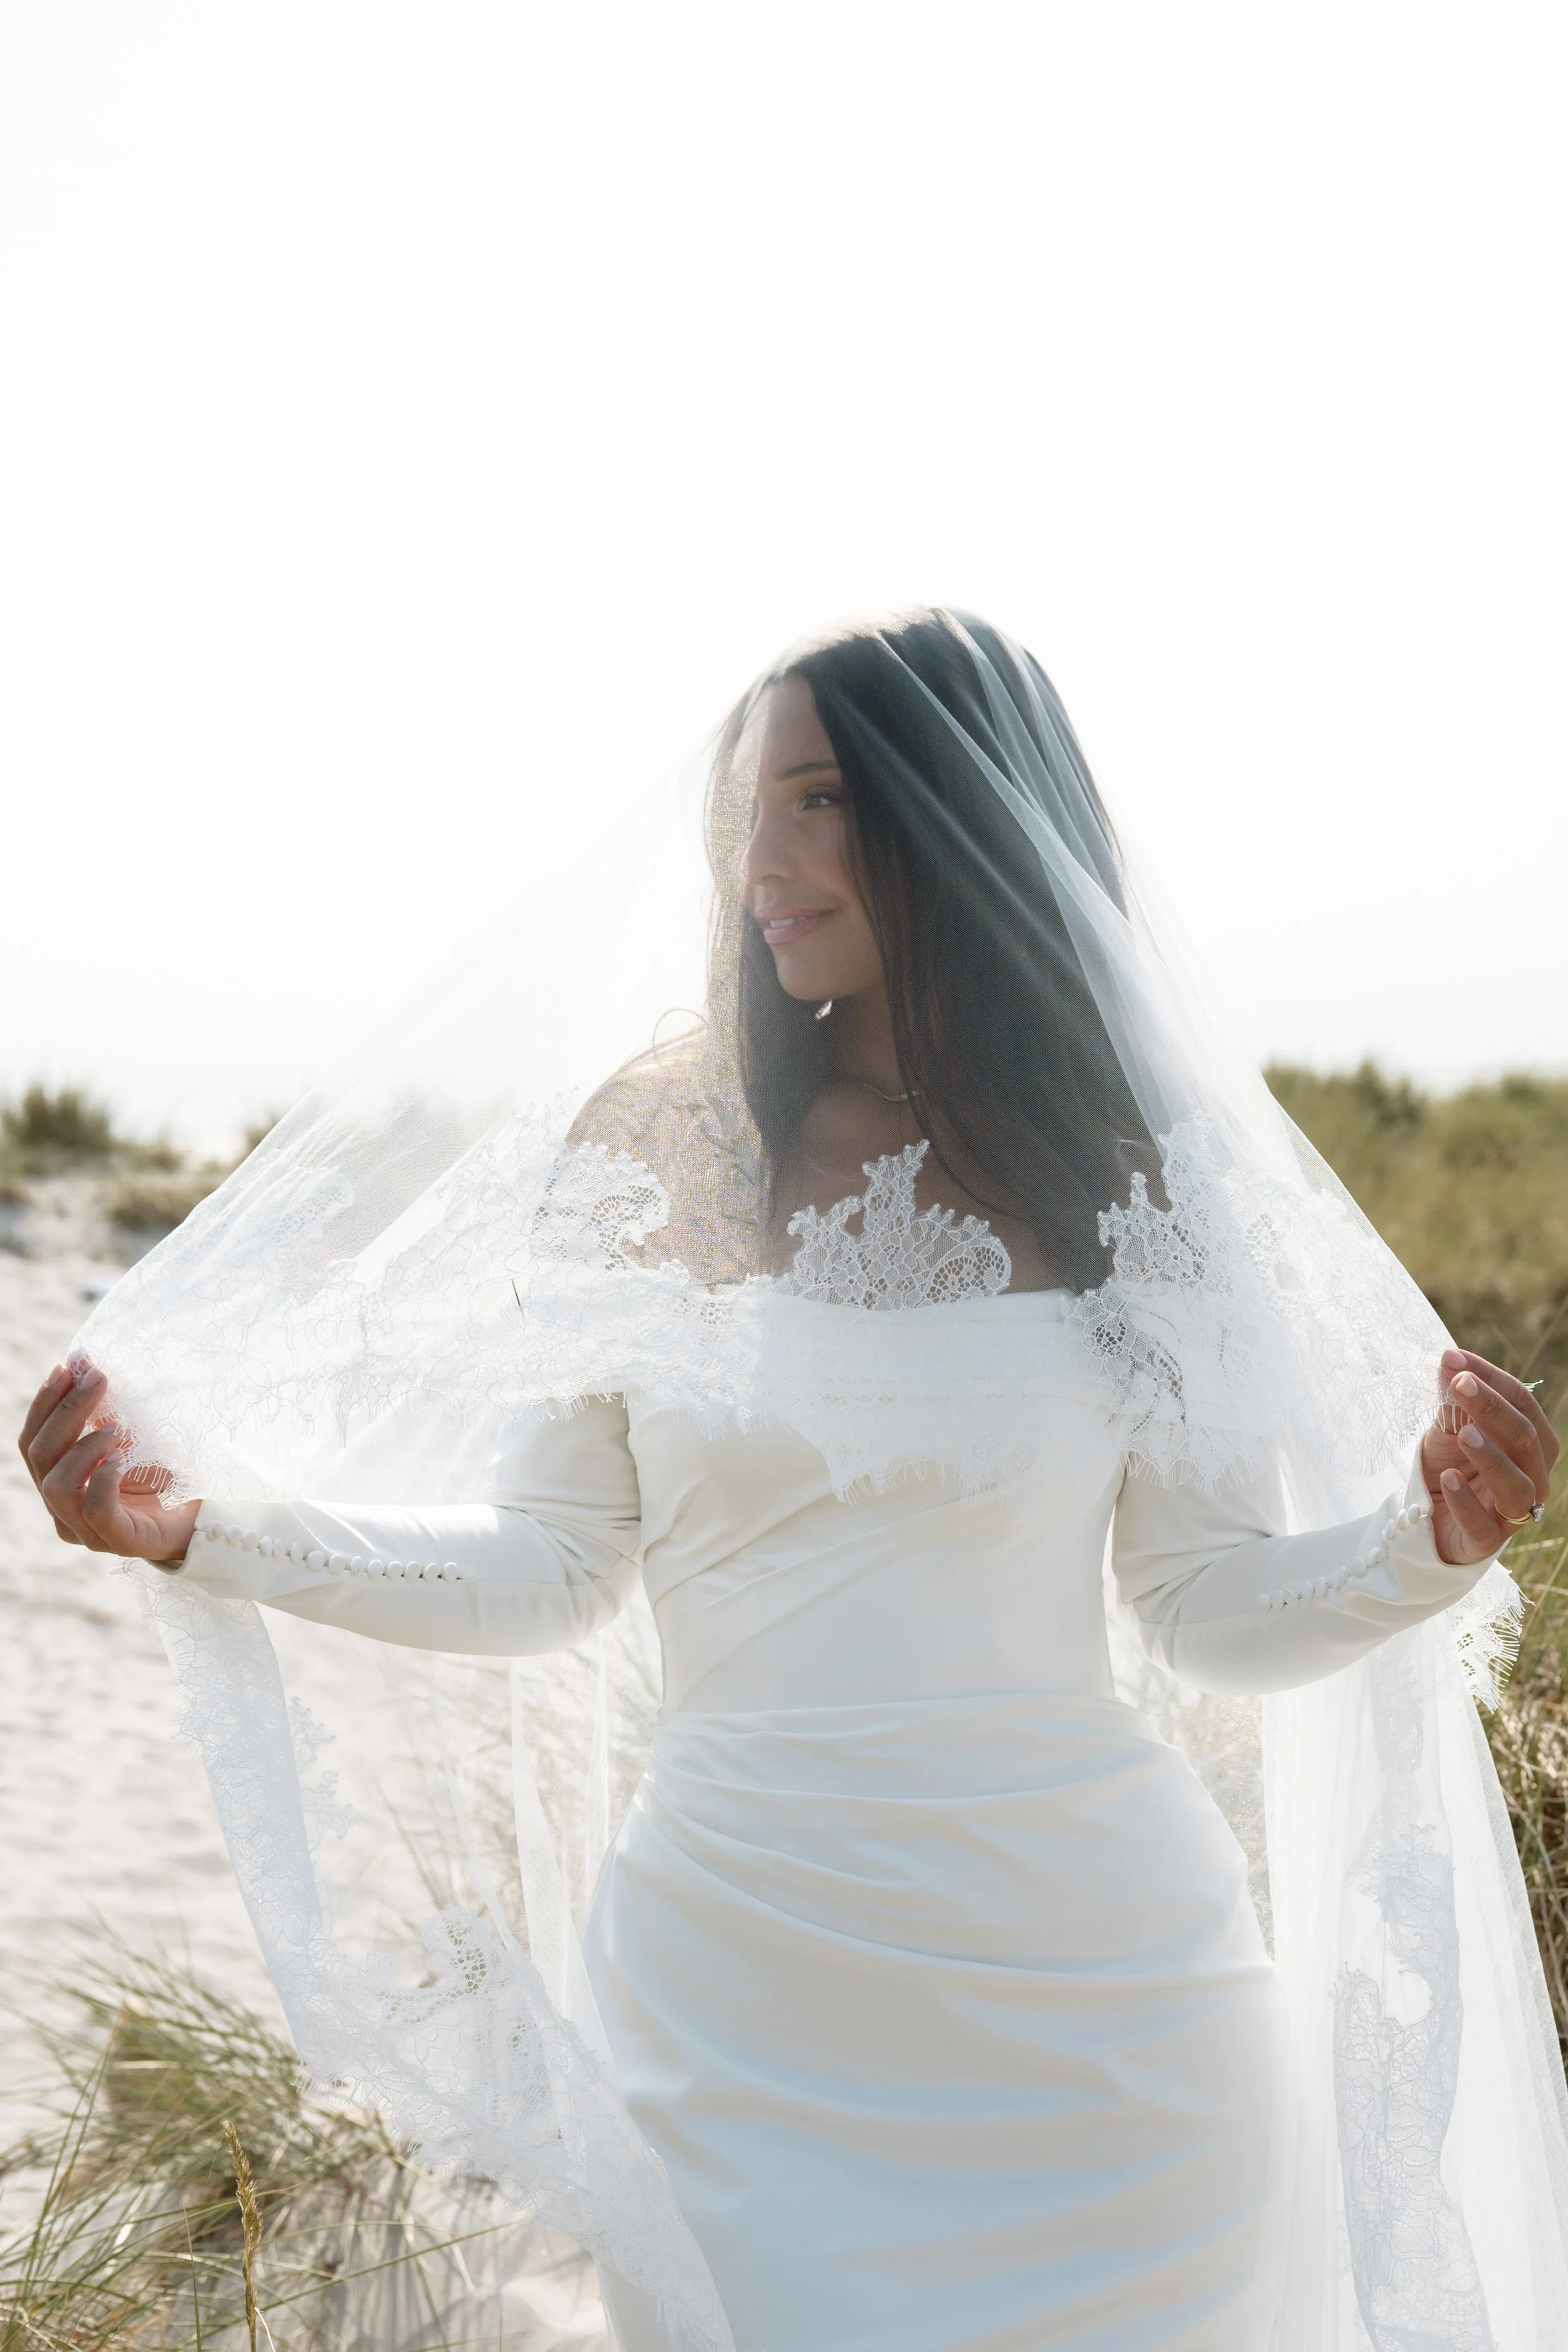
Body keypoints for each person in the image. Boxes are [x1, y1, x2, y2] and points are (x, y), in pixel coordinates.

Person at [18, 611, 1565, 2350]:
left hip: (1108, 2034)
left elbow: (1204, 1608)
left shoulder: (1123, 1168)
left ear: (956, 819)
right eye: (749, 808)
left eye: (820, 800)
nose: (761, 860)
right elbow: (546, 1564)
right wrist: (206, 1527)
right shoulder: (656, 1144)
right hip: (737, 2020)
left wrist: (1417, 1538)